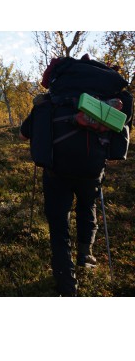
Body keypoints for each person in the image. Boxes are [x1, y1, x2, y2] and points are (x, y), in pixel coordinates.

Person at [19, 55, 132, 297]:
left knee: (58, 221)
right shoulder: (105, 101)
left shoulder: (50, 100)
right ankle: (85, 255)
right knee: (87, 205)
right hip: (92, 168)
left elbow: (23, 134)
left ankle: (66, 281)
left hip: (56, 169)